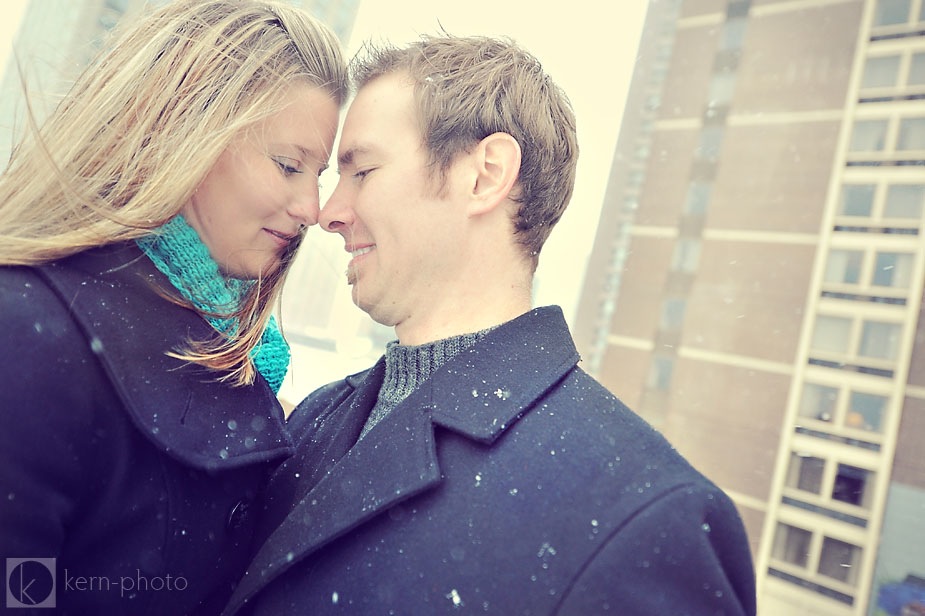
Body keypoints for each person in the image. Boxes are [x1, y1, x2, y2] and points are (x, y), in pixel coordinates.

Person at [224, 35, 757, 615]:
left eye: (363, 172)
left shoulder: (644, 517)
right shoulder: (314, 419)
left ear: (485, 176)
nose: (329, 213)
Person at [0, 1, 346, 613]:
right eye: (289, 165)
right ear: (182, 127)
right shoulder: (29, 338)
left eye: (316, 175)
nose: (311, 209)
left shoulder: (242, 359)